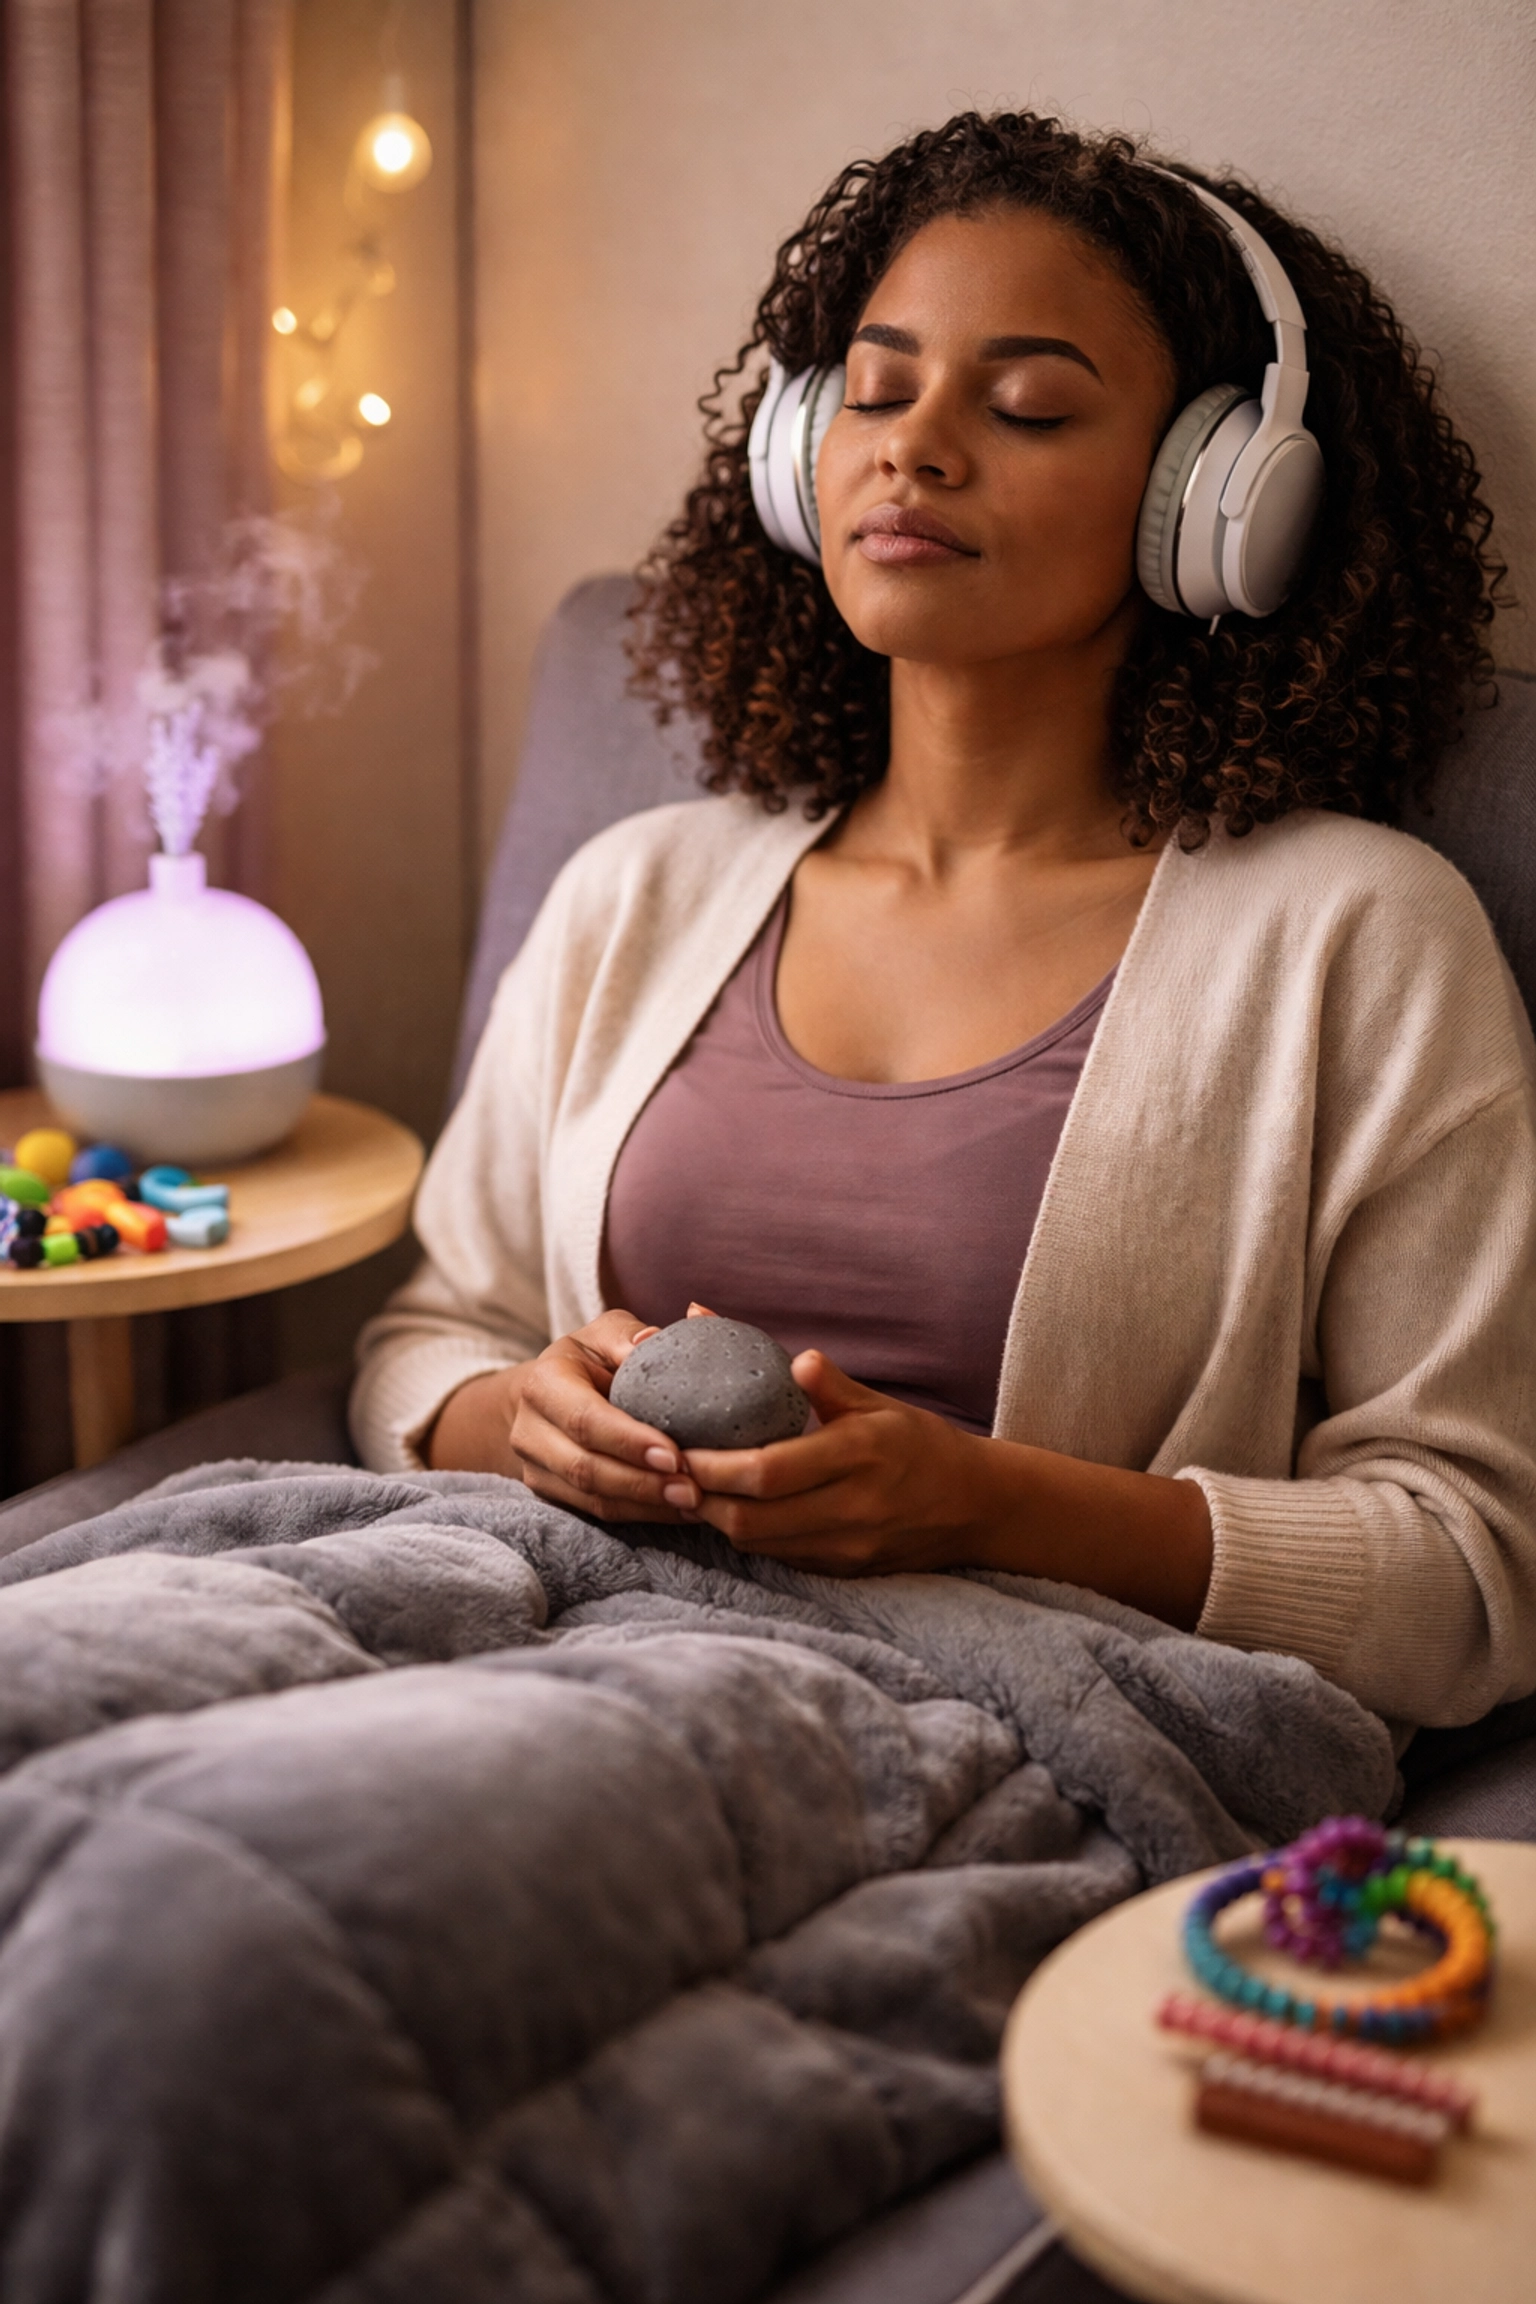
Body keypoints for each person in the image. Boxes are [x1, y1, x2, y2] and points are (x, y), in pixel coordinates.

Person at [352, 112, 1536, 1731]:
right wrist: (513, 1423)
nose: (914, 448)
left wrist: (987, 1503)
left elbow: (1475, 1570)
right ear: (796, 455)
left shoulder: (1355, 939)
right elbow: (434, 1337)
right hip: (520, 1642)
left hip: (992, 1735)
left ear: (1216, 499)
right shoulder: (637, 892)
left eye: (1031, 405)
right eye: (877, 388)